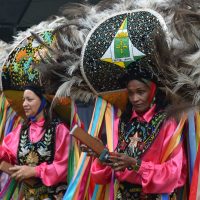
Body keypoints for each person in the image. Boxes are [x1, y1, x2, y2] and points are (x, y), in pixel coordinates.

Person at [83, 66, 187, 199]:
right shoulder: (121, 123)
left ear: (154, 91)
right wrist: (101, 155)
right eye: (130, 93)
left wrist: (135, 164)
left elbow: (174, 173)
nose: (134, 98)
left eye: (140, 92)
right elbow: (105, 176)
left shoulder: (167, 123)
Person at [0, 85, 70, 199]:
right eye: (23, 100)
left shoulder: (59, 129)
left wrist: (35, 171)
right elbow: (7, 154)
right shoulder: (21, 130)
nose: (24, 104)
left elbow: (63, 167)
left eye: (29, 99)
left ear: (43, 101)